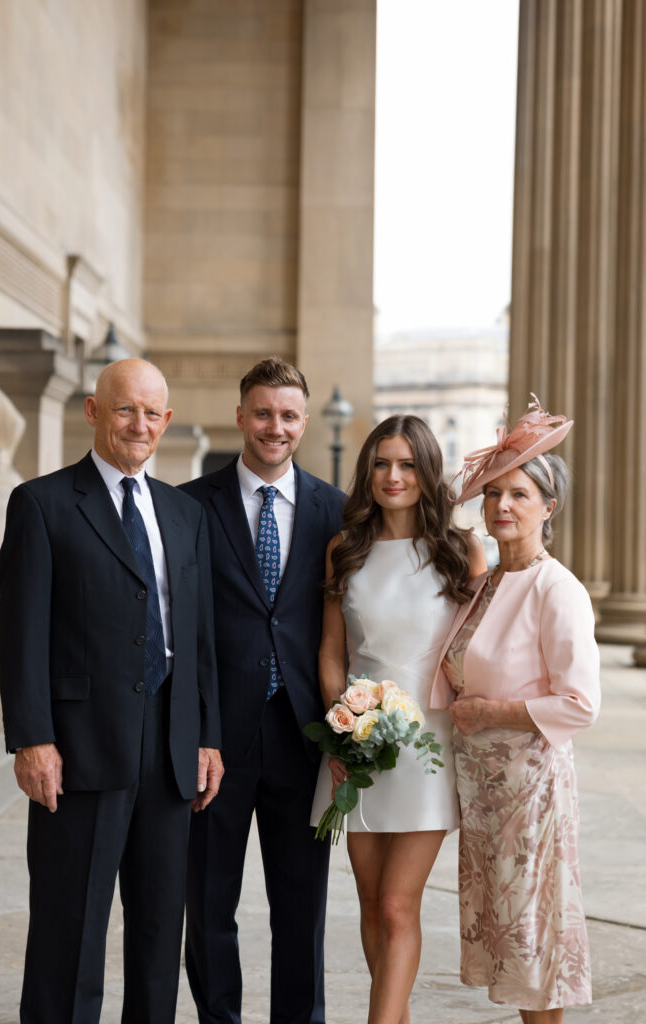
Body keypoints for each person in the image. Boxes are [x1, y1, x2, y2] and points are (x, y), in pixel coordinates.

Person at [0, 358, 223, 1024]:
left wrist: (206, 735)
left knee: (158, 935)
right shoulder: (41, 503)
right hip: (79, 748)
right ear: (94, 411)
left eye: (153, 413)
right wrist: (33, 738)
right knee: (70, 929)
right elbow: (22, 634)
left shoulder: (185, 515)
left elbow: (199, 636)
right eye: (126, 409)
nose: (140, 425)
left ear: (168, 421)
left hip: (172, 749)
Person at [180, 357, 346, 1024]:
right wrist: (193, 732)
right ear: (239, 414)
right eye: (261, 413)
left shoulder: (336, 509)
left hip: (303, 738)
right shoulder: (188, 505)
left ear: (302, 423)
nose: (273, 427)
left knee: (301, 910)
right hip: (214, 743)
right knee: (209, 905)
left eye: (286, 416)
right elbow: (177, 628)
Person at [310, 414, 486, 1024]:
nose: (393, 476)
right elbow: (333, 654)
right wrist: (342, 728)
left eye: (408, 464)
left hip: (429, 748)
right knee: (367, 900)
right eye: (382, 463)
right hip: (357, 742)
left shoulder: (461, 552)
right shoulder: (344, 549)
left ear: (427, 471)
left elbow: (484, 649)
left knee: (394, 905)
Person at [431, 397, 601, 1023]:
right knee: (508, 943)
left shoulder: (559, 589)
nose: (502, 505)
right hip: (484, 793)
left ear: (547, 508)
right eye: (494, 493)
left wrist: (492, 712)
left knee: (534, 949)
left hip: (530, 795)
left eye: (520, 495)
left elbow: (580, 703)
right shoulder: (484, 582)